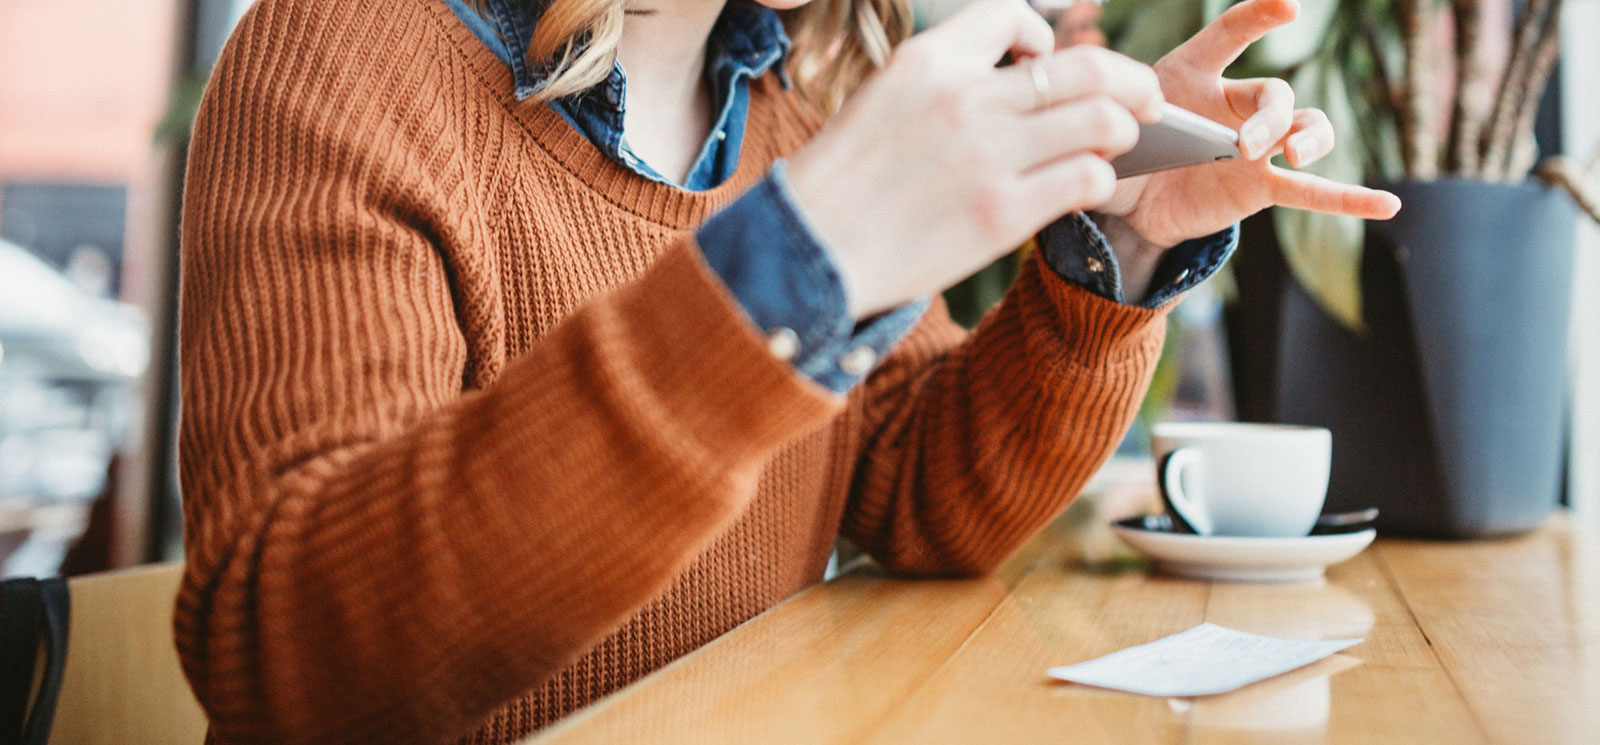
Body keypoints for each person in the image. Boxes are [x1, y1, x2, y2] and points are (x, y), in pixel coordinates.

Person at [174, 0, 1398, 742]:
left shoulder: (794, 110)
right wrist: (791, 262)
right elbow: (289, 663)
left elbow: (920, 497)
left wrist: (1119, 243)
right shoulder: (340, 53)